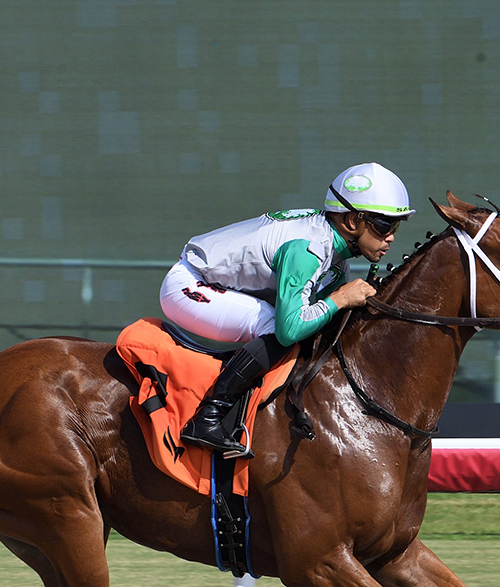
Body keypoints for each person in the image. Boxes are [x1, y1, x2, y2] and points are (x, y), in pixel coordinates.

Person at [159, 161, 414, 457]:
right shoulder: (308, 249)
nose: (391, 236)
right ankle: (208, 417)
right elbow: (288, 329)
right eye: (383, 225)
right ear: (353, 222)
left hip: (216, 283)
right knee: (276, 324)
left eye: (395, 226)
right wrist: (340, 299)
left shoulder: (334, 254)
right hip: (188, 284)